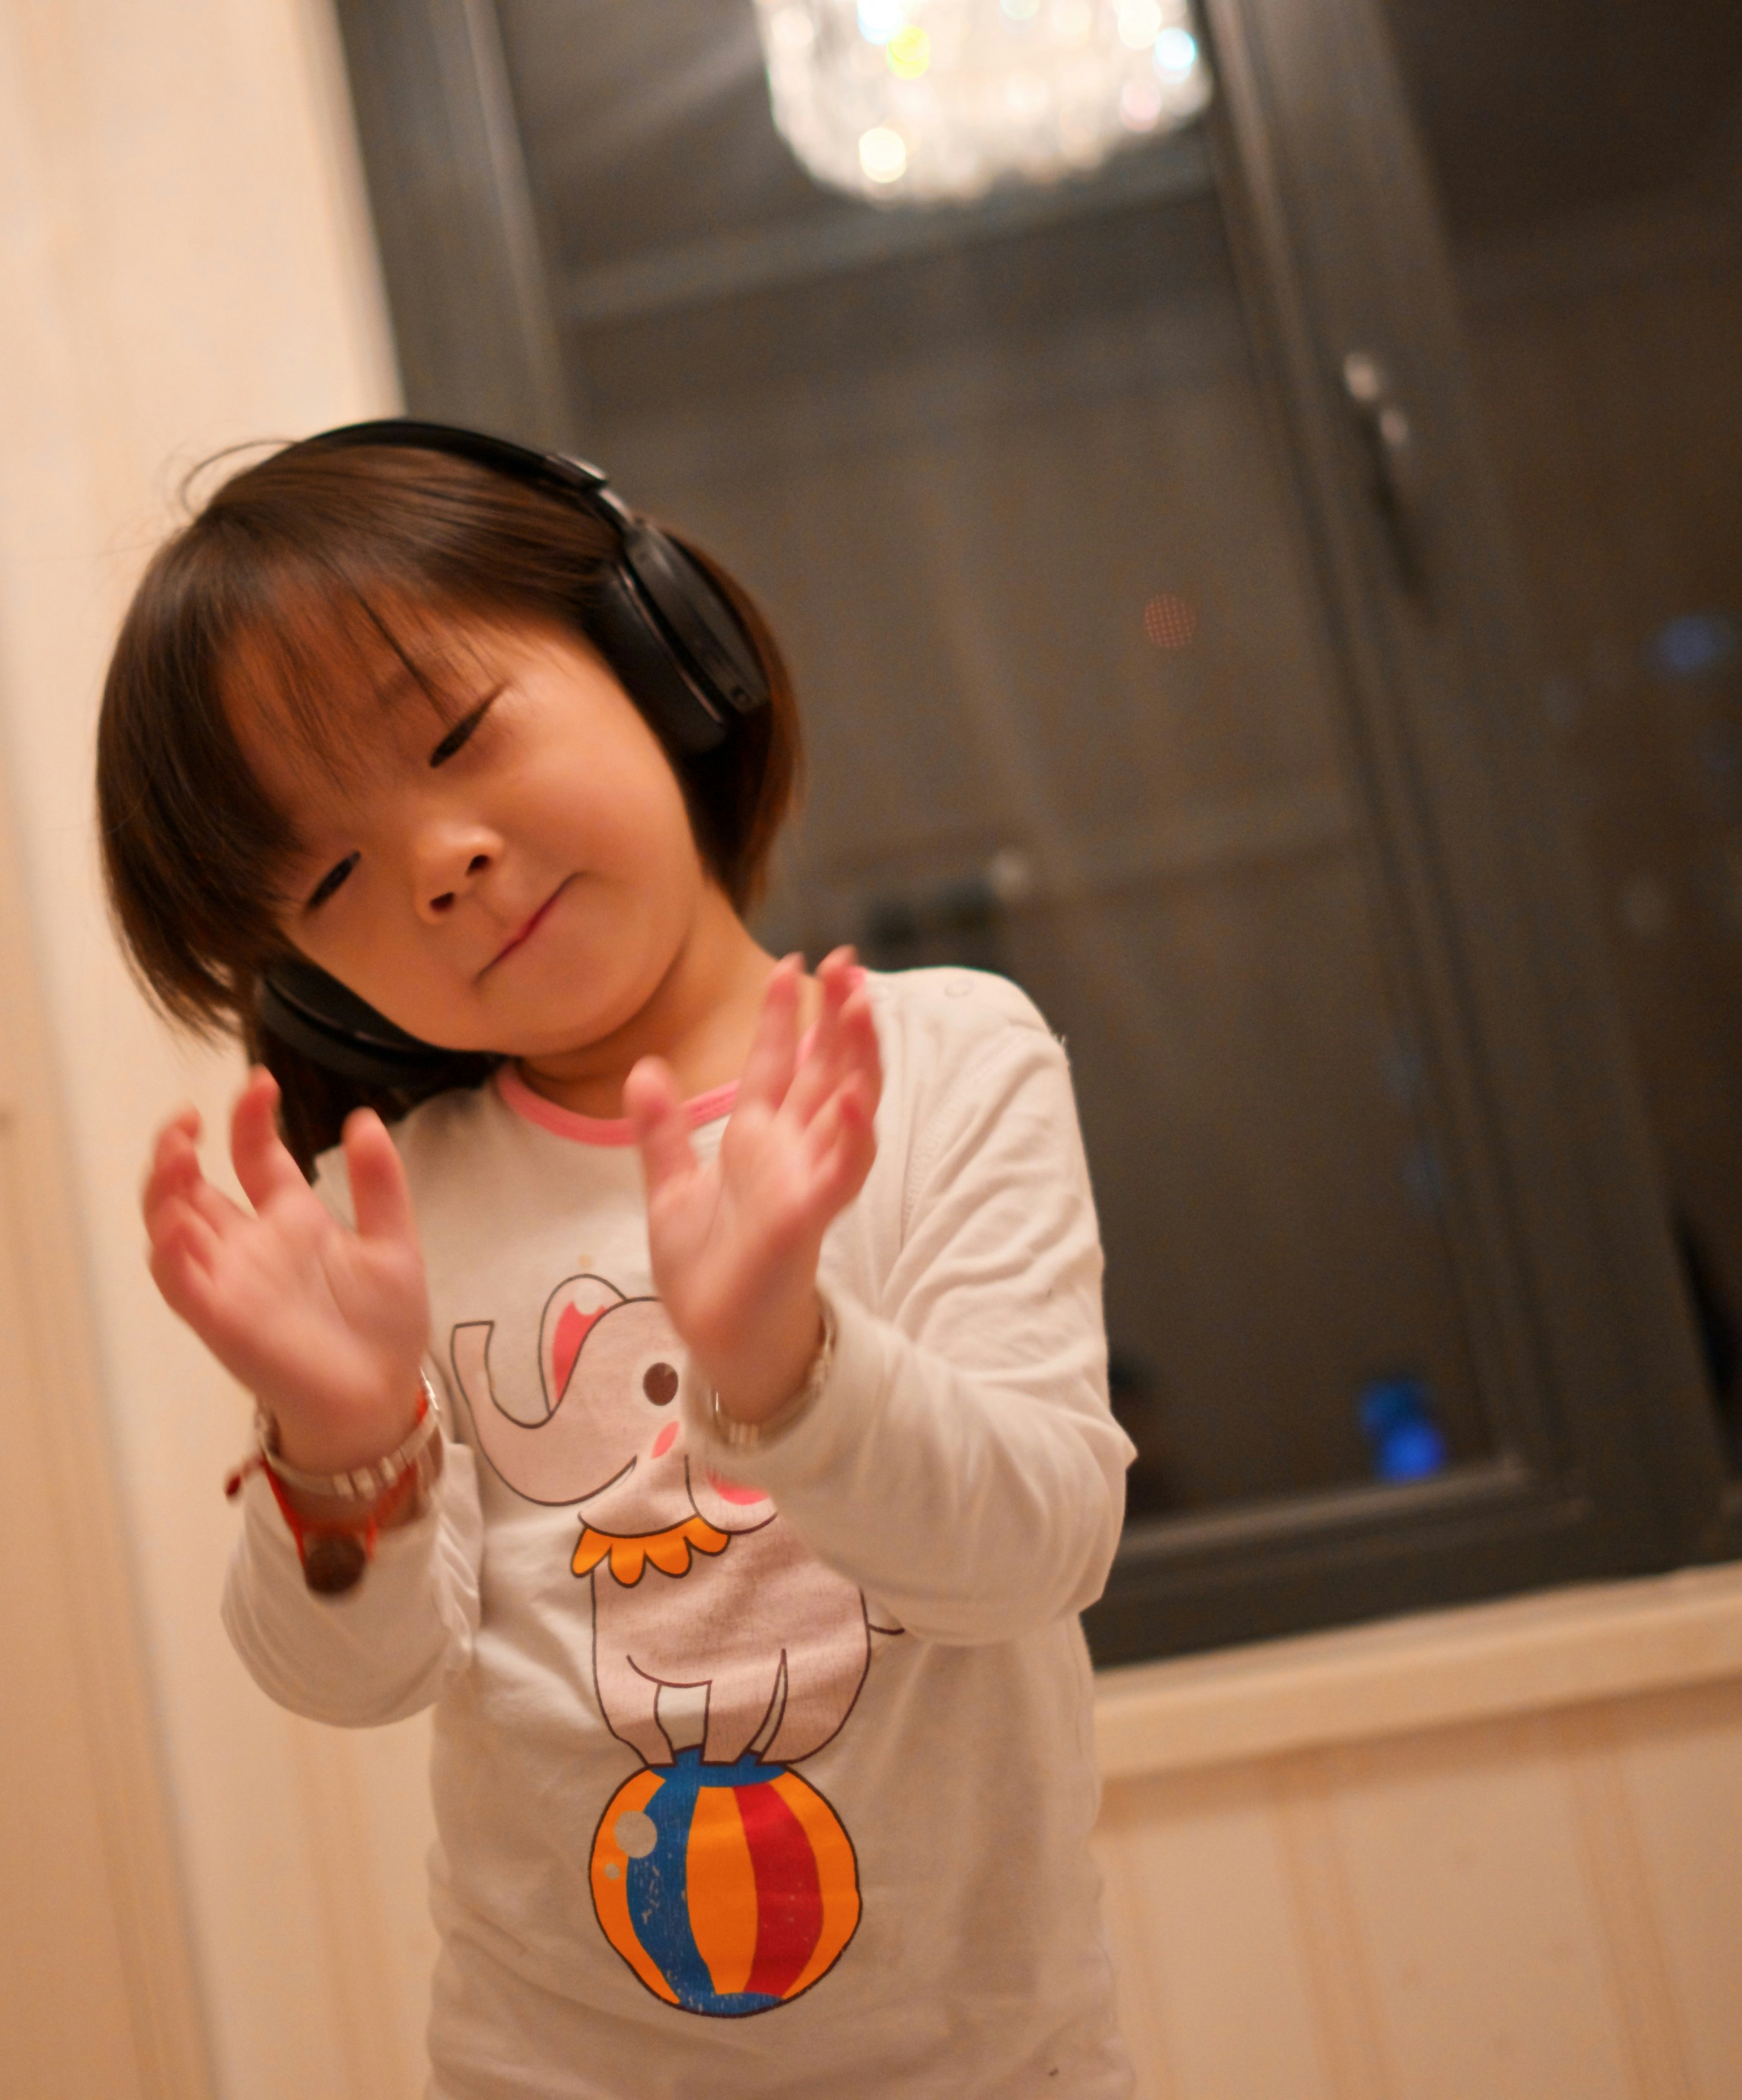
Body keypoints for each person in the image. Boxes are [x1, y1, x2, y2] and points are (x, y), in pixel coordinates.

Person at [98, 422, 1136, 2097]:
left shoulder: (944, 1064)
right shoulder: (405, 1208)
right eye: (338, 876)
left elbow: (1041, 1550)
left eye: (452, 734)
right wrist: (342, 1459)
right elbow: (345, 1676)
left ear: (658, 652)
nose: (439, 864)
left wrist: (789, 1372)